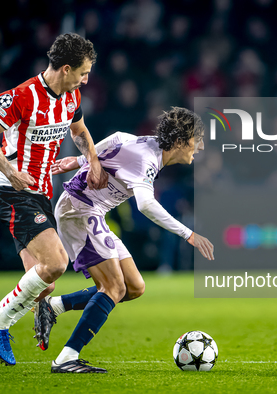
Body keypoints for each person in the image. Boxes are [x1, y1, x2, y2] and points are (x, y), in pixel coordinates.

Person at [0, 33, 108, 374]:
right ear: (65, 68)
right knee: (56, 262)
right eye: (82, 73)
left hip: (40, 195)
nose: (86, 80)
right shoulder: (21, 97)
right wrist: (10, 170)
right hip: (12, 191)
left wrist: (93, 161)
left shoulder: (71, 97)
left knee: (44, 285)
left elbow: (80, 132)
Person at [35, 107, 214, 373]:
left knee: (133, 287)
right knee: (114, 288)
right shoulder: (148, 161)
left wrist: (81, 159)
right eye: (195, 140)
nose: (198, 147)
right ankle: (66, 358)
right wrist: (188, 233)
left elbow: (117, 139)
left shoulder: (148, 144)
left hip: (92, 212)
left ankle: (54, 306)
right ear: (178, 141)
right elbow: (146, 205)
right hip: (80, 211)